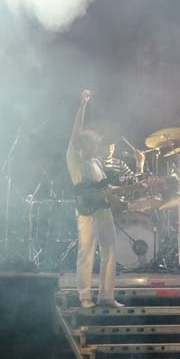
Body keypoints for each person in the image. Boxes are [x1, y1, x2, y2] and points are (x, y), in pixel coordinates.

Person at [66, 89, 123, 309]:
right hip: (86, 212)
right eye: (94, 144)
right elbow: (75, 132)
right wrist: (83, 105)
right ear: (84, 145)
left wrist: (132, 188)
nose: (97, 147)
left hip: (103, 210)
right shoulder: (74, 157)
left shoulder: (97, 162)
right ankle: (84, 296)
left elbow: (104, 187)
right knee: (86, 252)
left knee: (109, 250)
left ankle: (107, 296)